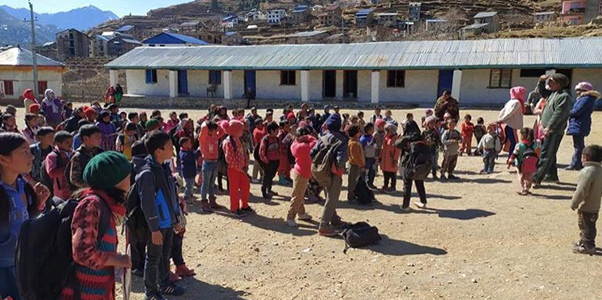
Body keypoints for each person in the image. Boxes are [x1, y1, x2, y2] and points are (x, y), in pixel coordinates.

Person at [58, 151, 132, 300]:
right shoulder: (91, 204)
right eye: (128, 177)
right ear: (115, 181)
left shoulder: (104, 204)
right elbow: (83, 253)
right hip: (82, 293)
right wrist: (118, 260)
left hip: (97, 291)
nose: (131, 180)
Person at [0, 133, 50, 300]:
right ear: (3, 159)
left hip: (24, 263)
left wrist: (39, 205)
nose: (31, 156)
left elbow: (24, 220)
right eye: (24, 152)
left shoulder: (23, 186)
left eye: (30, 151)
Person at [137, 131, 185, 300]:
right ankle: (150, 292)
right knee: (153, 258)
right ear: (158, 151)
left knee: (165, 255)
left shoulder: (164, 168)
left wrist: (176, 218)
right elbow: (148, 204)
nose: (173, 149)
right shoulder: (148, 173)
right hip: (157, 226)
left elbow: (170, 194)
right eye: (170, 147)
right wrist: (154, 229)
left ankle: (164, 285)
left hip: (168, 223)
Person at [310, 114, 348, 236]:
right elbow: (341, 160)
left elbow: (312, 153)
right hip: (333, 173)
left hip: (320, 171)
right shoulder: (342, 140)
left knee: (328, 194)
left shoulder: (323, 137)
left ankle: (334, 219)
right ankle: (324, 225)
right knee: (332, 198)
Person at [533, 74, 573, 186]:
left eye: (551, 81)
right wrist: (541, 81)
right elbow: (541, 92)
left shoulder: (564, 97)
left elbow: (558, 114)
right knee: (550, 153)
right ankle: (551, 176)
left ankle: (536, 178)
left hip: (553, 131)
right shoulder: (553, 94)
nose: (548, 83)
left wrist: (549, 127)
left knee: (545, 154)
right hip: (547, 129)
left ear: (559, 84)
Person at [570, 145, 602, 255]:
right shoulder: (600, 171)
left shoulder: (587, 172)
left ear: (586, 157)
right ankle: (584, 242)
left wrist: (574, 202)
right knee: (590, 224)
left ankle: (588, 245)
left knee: (585, 225)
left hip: (586, 205)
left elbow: (581, 190)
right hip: (595, 204)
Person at [286, 127, 316, 227]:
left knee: (300, 194)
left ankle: (301, 213)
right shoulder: (303, 147)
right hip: (302, 173)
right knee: (297, 196)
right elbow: (314, 142)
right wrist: (309, 136)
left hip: (299, 171)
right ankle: (290, 217)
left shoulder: (295, 144)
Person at [566, 82, 599, 171]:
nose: (577, 92)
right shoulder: (587, 99)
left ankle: (575, 164)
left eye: (579, 90)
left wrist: (566, 113)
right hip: (580, 124)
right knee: (579, 145)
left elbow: (577, 111)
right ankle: (579, 163)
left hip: (579, 124)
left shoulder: (585, 99)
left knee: (578, 146)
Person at [223, 120, 252, 216]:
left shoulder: (239, 139)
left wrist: (246, 164)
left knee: (245, 186)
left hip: (241, 169)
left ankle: (244, 205)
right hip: (233, 170)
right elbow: (229, 159)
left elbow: (244, 152)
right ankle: (234, 208)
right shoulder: (228, 142)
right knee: (234, 190)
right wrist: (239, 168)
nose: (242, 131)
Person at [399, 132, 429, 212]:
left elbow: (397, 144)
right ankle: (423, 202)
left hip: (410, 169)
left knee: (407, 185)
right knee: (419, 184)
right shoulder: (424, 145)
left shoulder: (410, 146)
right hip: (420, 169)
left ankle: (405, 205)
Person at [69, 125, 104, 191]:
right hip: (86, 192)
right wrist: (91, 186)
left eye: (100, 137)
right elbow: (74, 179)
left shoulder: (100, 152)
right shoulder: (78, 156)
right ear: (85, 138)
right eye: (97, 137)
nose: (100, 139)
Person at [508, 128, 540, 195]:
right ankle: (527, 188)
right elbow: (541, 142)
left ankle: (523, 188)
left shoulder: (519, 145)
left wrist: (510, 161)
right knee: (529, 176)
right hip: (532, 163)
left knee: (521, 175)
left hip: (521, 164)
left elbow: (514, 154)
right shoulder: (536, 143)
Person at [199, 120, 221, 212]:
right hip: (207, 162)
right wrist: (207, 123)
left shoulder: (215, 137)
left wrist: (217, 125)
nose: (216, 131)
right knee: (205, 184)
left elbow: (223, 130)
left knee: (212, 184)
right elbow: (203, 128)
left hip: (214, 162)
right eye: (214, 129)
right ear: (209, 129)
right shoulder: (204, 138)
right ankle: (204, 202)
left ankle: (212, 201)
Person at [498, 86, 526, 160]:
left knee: (509, 141)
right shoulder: (517, 102)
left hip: (507, 124)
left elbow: (503, 111)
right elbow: (510, 113)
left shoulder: (510, 102)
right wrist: (502, 119)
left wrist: (500, 119)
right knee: (514, 142)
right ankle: (511, 158)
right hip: (511, 124)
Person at [45, 131, 73, 202]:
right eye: (67, 142)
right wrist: (70, 168)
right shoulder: (53, 156)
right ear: (58, 144)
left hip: (75, 189)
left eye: (71, 142)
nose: (70, 145)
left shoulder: (74, 153)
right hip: (61, 193)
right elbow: (52, 173)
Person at [259, 122, 280, 199]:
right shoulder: (265, 140)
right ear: (271, 131)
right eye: (276, 130)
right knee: (266, 176)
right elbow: (261, 152)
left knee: (271, 176)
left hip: (276, 161)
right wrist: (266, 161)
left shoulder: (276, 139)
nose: (278, 132)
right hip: (268, 162)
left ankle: (269, 189)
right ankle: (264, 192)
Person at [380, 123, 401, 193]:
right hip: (385, 160)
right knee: (386, 174)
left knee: (392, 174)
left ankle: (393, 187)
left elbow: (397, 151)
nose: (386, 132)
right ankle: (385, 185)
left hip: (391, 160)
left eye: (387, 131)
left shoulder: (395, 139)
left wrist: (395, 160)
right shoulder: (385, 138)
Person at [347, 125, 364, 202]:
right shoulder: (353, 144)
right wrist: (361, 165)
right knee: (353, 181)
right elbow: (356, 157)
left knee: (355, 180)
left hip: (356, 165)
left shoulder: (356, 141)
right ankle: (351, 196)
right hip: (355, 165)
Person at [179, 137, 198, 203]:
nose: (191, 144)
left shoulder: (189, 151)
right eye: (189, 143)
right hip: (187, 172)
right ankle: (186, 197)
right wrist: (196, 153)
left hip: (191, 171)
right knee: (189, 185)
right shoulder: (183, 153)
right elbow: (190, 157)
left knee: (191, 184)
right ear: (184, 144)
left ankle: (190, 195)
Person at [360, 123, 377, 189]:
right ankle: (364, 184)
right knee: (365, 172)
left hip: (372, 157)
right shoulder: (363, 139)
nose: (373, 130)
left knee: (372, 171)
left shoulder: (372, 137)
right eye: (372, 129)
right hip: (366, 158)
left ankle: (370, 183)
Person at [251, 118, 266, 183]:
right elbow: (263, 134)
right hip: (257, 149)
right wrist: (265, 127)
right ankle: (254, 177)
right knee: (256, 164)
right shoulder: (256, 131)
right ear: (256, 125)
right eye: (260, 124)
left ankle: (262, 176)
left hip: (261, 149)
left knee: (261, 164)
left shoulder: (258, 129)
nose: (262, 125)